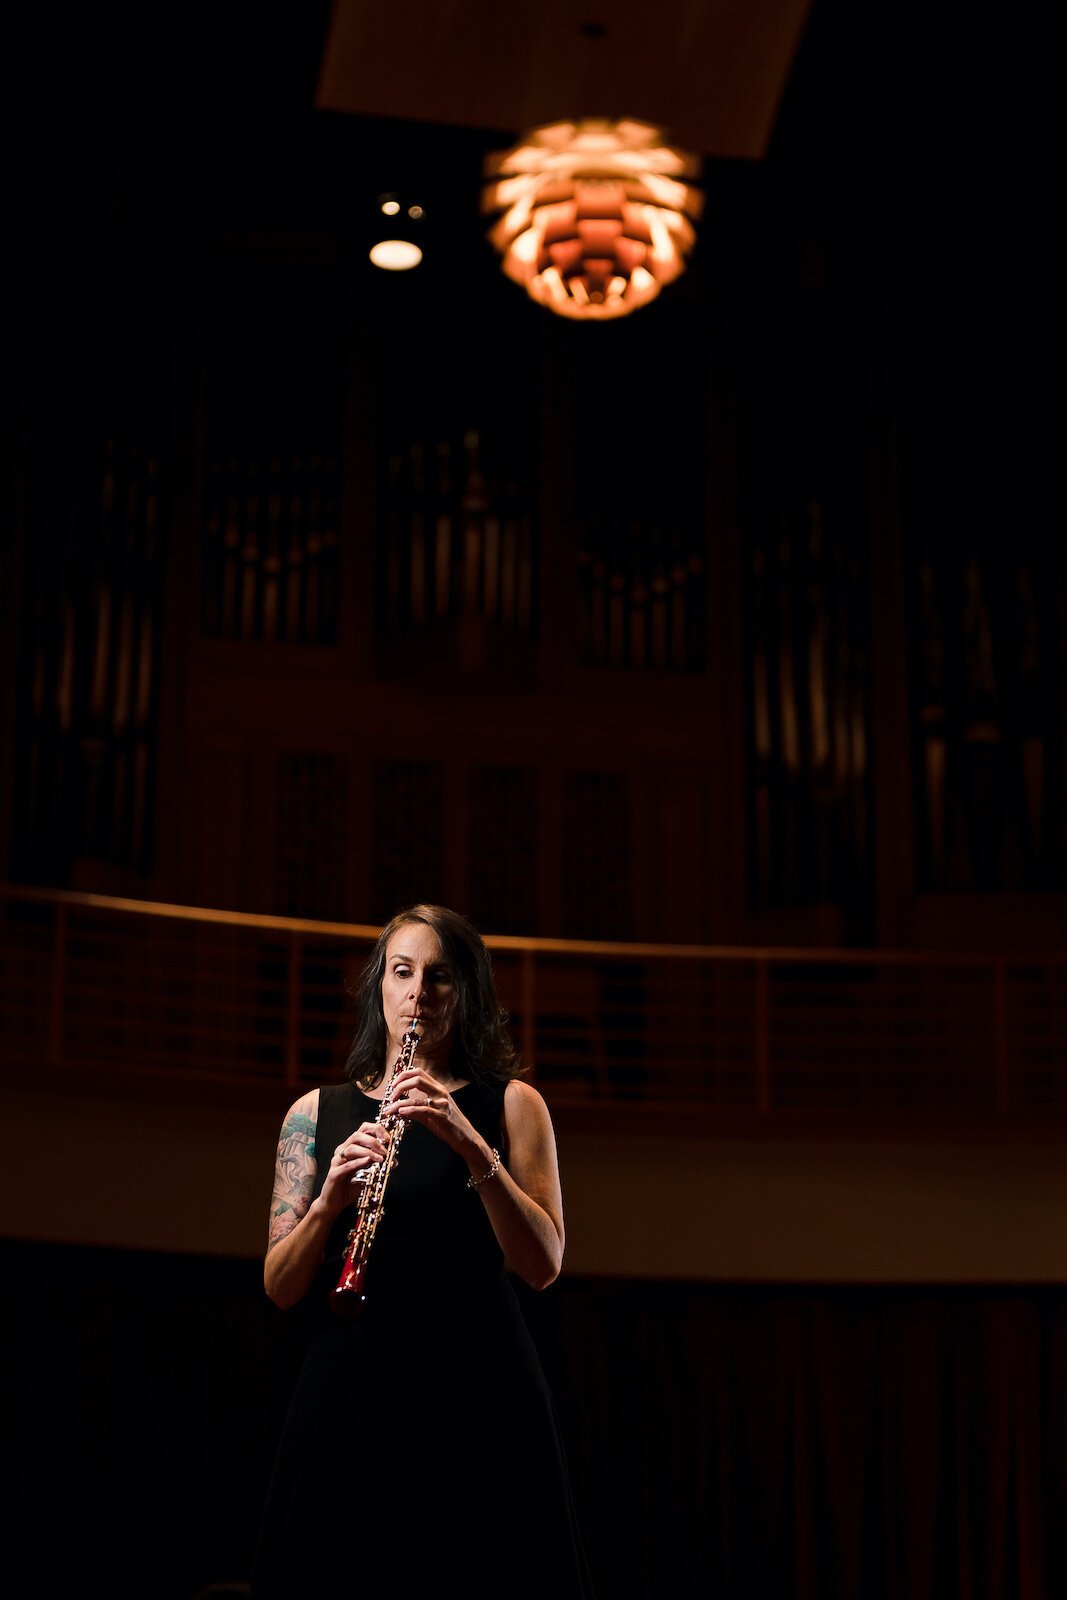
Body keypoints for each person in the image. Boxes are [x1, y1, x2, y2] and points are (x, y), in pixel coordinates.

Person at [249, 903, 596, 1599]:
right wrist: (326, 1204)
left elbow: (542, 1263)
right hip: (352, 1386)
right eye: (402, 972)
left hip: (475, 1383)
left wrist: (468, 1141)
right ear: (379, 985)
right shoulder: (314, 1114)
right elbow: (282, 1287)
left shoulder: (513, 1105)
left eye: (439, 977)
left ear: (466, 992)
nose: (418, 993)